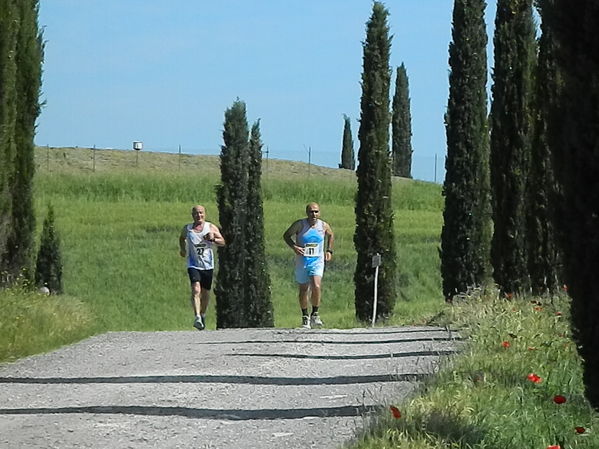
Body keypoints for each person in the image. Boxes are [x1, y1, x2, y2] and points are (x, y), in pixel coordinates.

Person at [283, 202, 334, 329]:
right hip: (303, 261)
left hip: (317, 260)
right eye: (311, 212)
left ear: (319, 213)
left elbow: (331, 235)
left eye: (316, 212)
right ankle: (305, 316)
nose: (314, 214)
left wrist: (329, 250)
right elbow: (286, 235)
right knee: (303, 289)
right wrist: (294, 246)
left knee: (316, 285)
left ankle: (315, 314)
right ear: (307, 213)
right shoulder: (300, 225)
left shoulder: (323, 225)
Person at [179, 205, 225, 330]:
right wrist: (183, 250)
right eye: (196, 213)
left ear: (204, 214)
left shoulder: (210, 227)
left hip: (207, 265)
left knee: (205, 293)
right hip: (193, 264)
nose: (198, 216)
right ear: (192, 215)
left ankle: (203, 314)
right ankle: (197, 316)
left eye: (201, 213)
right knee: (196, 289)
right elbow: (182, 238)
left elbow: (223, 242)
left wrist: (213, 238)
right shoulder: (188, 229)